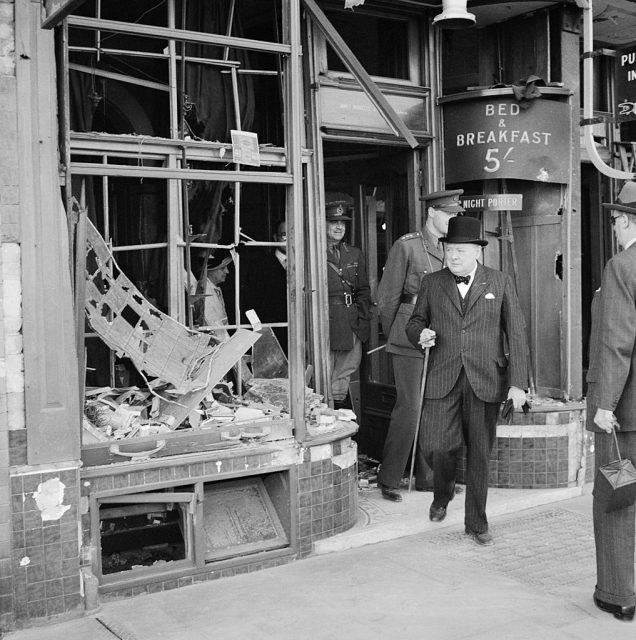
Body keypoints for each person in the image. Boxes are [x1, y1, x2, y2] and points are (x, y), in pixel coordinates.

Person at [405, 215, 529, 546]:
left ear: (477, 251)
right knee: (435, 445)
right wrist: (422, 333)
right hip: (443, 376)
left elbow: (515, 332)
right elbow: (414, 322)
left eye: (460, 250)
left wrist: (518, 384)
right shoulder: (433, 282)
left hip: (487, 377)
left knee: (479, 454)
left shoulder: (499, 282)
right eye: (449, 250)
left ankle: (476, 523)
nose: (453, 256)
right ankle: (442, 493)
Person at [376, 189, 465, 502]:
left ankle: (428, 477)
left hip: (442, 339)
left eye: (457, 215)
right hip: (408, 337)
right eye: (450, 215)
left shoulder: (454, 249)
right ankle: (389, 476)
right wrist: (395, 335)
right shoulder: (408, 245)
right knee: (411, 408)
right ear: (432, 213)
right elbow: (386, 297)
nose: (454, 221)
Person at [586, 181, 636, 622]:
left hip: (625, 416)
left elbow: (618, 342)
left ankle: (619, 592)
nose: (616, 227)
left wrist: (604, 405)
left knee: (618, 498)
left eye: (617, 220)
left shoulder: (622, 265)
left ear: (627, 221)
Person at [326, 196, 371, 409]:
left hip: (350, 320)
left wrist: (362, 319)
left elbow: (363, 290)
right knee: (323, 371)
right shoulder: (312, 253)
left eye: (342, 223)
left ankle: (338, 410)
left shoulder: (353, 253)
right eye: (334, 222)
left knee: (346, 370)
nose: (339, 227)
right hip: (326, 320)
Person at [244, 220, 288, 352]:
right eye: (284, 235)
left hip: (299, 333)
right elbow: (249, 301)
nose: (289, 239)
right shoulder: (260, 265)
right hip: (270, 332)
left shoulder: (306, 264)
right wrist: (257, 329)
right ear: (275, 238)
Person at [195, 249, 233, 342]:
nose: (227, 271)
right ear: (210, 270)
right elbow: (213, 325)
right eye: (222, 268)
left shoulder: (214, 288)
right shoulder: (205, 291)